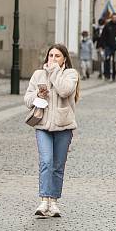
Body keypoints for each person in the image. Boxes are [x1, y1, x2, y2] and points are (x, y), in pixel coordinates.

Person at [24, 44, 80, 218]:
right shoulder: (38, 74)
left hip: (64, 125)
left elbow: (64, 91)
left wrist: (54, 72)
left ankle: (54, 201)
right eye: (50, 56)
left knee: (57, 165)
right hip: (43, 125)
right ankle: (43, 200)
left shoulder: (71, 74)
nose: (53, 59)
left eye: (57, 56)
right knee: (46, 161)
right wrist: (37, 96)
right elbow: (27, 99)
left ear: (64, 59)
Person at [101, 14, 116, 80]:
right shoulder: (107, 26)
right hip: (108, 47)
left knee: (115, 61)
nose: (114, 19)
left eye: (115, 18)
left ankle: (114, 75)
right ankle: (107, 75)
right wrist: (103, 45)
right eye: (113, 17)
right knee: (107, 60)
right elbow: (103, 36)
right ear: (111, 18)